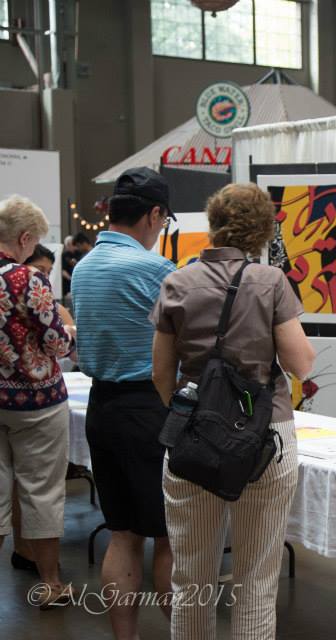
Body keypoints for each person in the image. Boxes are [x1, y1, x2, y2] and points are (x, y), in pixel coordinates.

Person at [151, 182, 314, 640]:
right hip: (265, 439)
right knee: (256, 582)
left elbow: (160, 374)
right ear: (263, 230)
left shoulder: (177, 282)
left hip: (193, 440)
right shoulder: (270, 282)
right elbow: (300, 364)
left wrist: (193, 419)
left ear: (213, 224)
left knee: (192, 581)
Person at [71, 167, 177, 639]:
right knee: (172, 535)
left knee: (122, 533)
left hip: (102, 408)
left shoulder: (85, 266)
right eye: (165, 221)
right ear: (154, 214)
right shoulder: (157, 270)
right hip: (149, 409)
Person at [0, 196, 75, 607]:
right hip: (36, 401)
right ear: (25, 238)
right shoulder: (28, 279)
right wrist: (68, 337)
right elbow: (55, 341)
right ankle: (50, 584)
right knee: (42, 491)